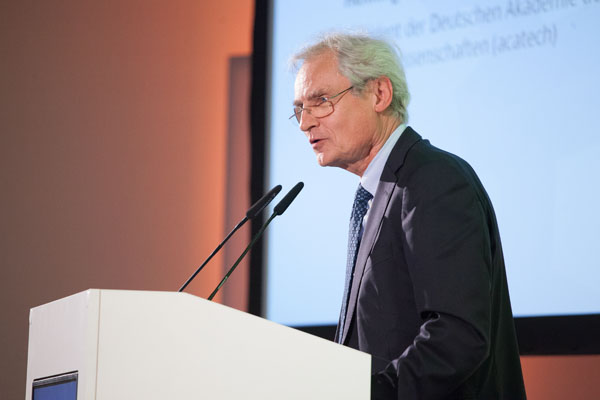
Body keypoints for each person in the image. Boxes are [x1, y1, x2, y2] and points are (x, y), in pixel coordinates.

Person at [290, 33, 527, 399]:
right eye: (299, 109)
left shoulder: (433, 179)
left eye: (320, 101)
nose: (305, 123)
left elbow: (457, 336)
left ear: (379, 94)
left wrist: (370, 394)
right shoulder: (381, 190)